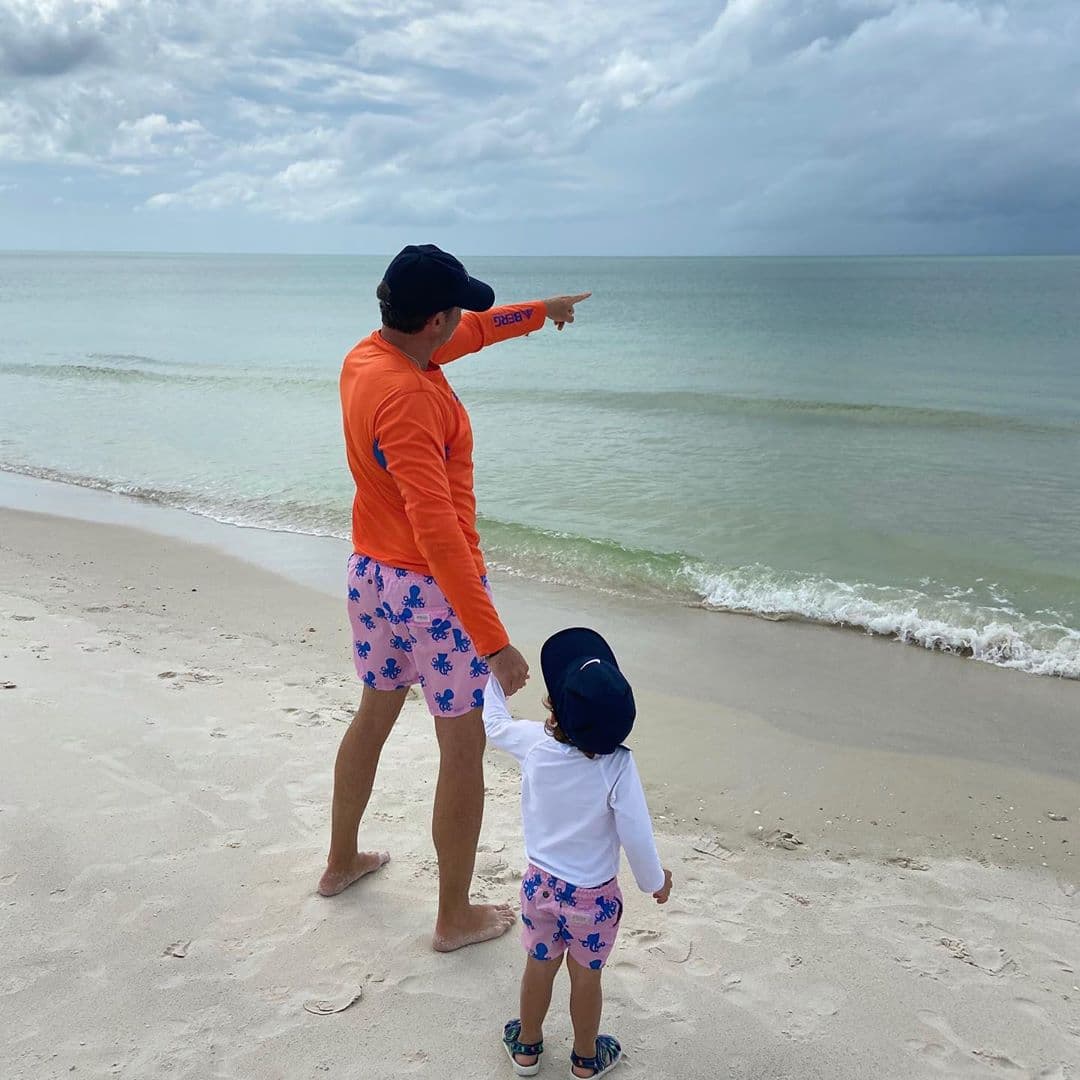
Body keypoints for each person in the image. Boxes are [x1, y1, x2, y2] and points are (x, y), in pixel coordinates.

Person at [319, 242, 591, 955]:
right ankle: (453, 916)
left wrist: (541, 312)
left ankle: (341, 862)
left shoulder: (369, 356)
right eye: (454, 310)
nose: (461, 321)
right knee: (463, 747)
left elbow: (475, 330)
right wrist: (495, 643)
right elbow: (437, 532)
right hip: (430, 592)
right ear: (433, 319)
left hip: (372, 575)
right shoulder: (410, 399)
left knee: (374, 714)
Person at [482, 627, 673, 1078]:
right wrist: (655, 881)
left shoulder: (535, 743)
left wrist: (493, 677)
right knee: (587, 976)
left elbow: (494, 725)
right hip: (594, 898)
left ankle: (527, 1047)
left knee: (540, 964)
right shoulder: (618, 765)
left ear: (555, 708)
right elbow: (636, 835)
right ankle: (586, 1058)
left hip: (540, 886)